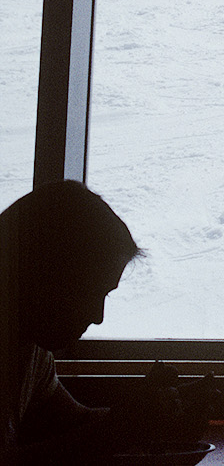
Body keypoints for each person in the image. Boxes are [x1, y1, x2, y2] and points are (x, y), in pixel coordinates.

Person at [2, 181, 141, 465]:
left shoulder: (29, 346)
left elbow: (74, 421)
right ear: (46, 274)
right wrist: (119, 428)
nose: (98, 316)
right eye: (90, 293)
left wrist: (142, 416)